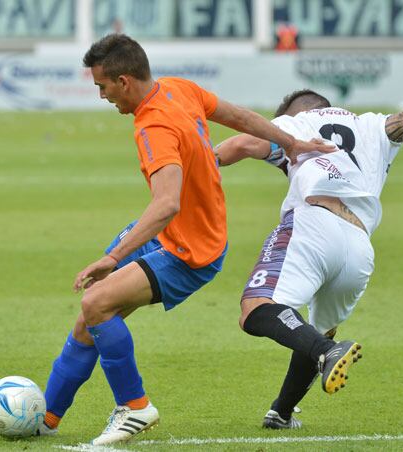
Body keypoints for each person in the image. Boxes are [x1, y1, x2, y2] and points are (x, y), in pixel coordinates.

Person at [38, 34, 333, 446]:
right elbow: (242, 117)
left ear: (124, 81)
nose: (102, 96)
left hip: (190, 251)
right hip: (180, 233)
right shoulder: (179, 88)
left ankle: (134, 409)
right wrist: (292, 142)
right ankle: (45, 418)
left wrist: (113, 257)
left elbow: (166, 205)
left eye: (102, 87)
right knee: (92, 317)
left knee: (96, 302)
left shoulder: (153, 126)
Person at [214, 40, 403, 429]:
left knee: (256, 309)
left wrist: (202, 164)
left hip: (314, 222)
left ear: (297, 112)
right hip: (359, 247)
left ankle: (328, 351)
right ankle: (282, 411)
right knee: (317, 328)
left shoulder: (294, 122)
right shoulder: (373, 127)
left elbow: (245, 142)